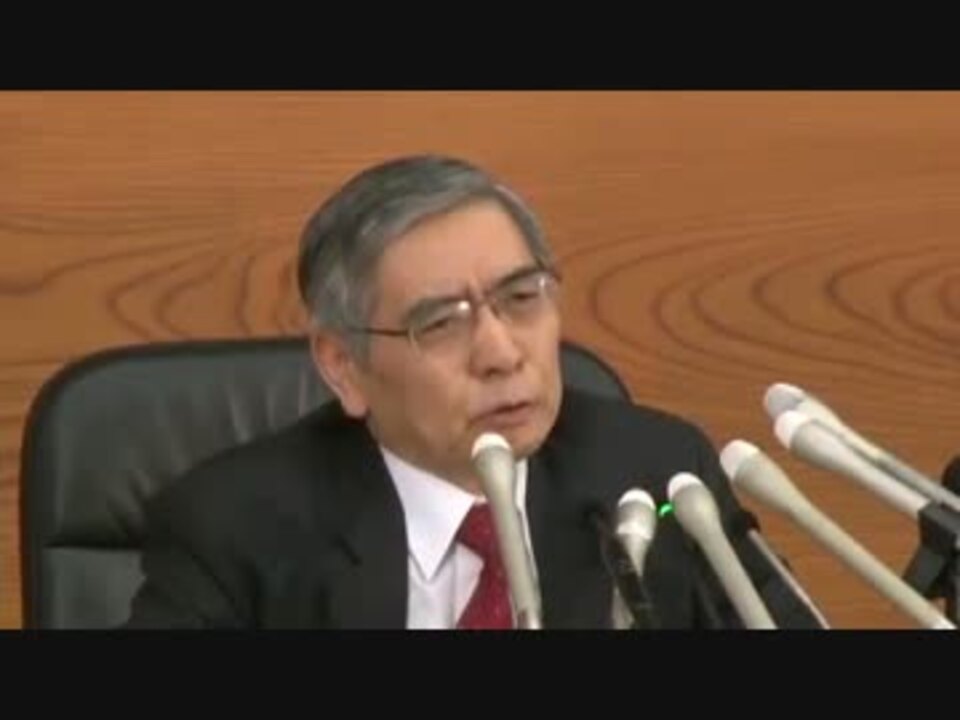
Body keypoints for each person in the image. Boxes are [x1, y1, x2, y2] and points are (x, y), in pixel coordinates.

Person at [123, 154, 821, 629]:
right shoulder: (234, 527)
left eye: (521, 298)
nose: (501, 353)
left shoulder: (657, 476)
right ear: (343, 367)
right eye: (440, 323)